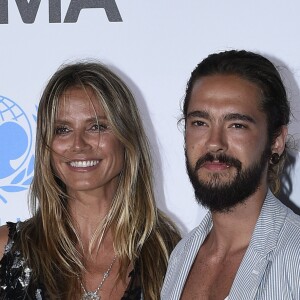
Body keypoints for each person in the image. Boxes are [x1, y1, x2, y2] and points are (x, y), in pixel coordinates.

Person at [0, 61, 180, 300]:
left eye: (96, 126)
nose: (78, 144)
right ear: (47, 146)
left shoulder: (170, 255)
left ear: (126, 138)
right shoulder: (6, 250)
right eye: (62, 129)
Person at [161, 50, 300, 299]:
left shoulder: (295, 255)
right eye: (200, 123)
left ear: (276, 140)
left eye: (237, 125)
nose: (214, 143)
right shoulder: (181, 256)